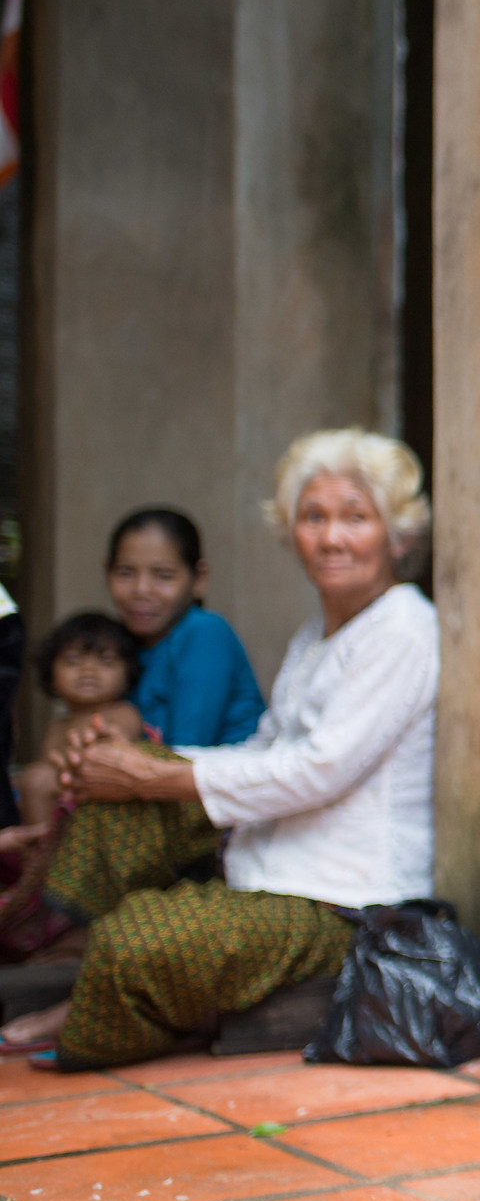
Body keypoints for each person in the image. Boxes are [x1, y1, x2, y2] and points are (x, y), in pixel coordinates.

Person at [0, 429, 438, 1067]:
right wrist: (131, 768)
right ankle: (47, 932)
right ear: (291, 532)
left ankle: (86, 990)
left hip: (343, 904)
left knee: (133, 942)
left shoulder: (402, 627)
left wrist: (152, 779)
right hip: (265, 865)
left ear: (395, 535)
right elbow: (265, 746)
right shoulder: (319, 632)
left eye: (355, 518)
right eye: (313, 518)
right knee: (123, 774)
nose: (331, 537)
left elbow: (319, 770)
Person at [107, 507, 266, 747]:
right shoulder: (114, 645)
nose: (141, 590)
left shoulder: (205, 633)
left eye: (163, 575)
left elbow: (184, 758)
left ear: (199, 579)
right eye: (126, 572)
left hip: (211, 781)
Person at [15, 613, 148, 828]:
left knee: (36, 780)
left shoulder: (123, 713)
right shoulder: (56, 726)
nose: (88, 670)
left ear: (128, 675)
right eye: (72, 661)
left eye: (105, 661)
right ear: (52, 677)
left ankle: (40, 853)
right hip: (66, 809)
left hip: (106, 808)